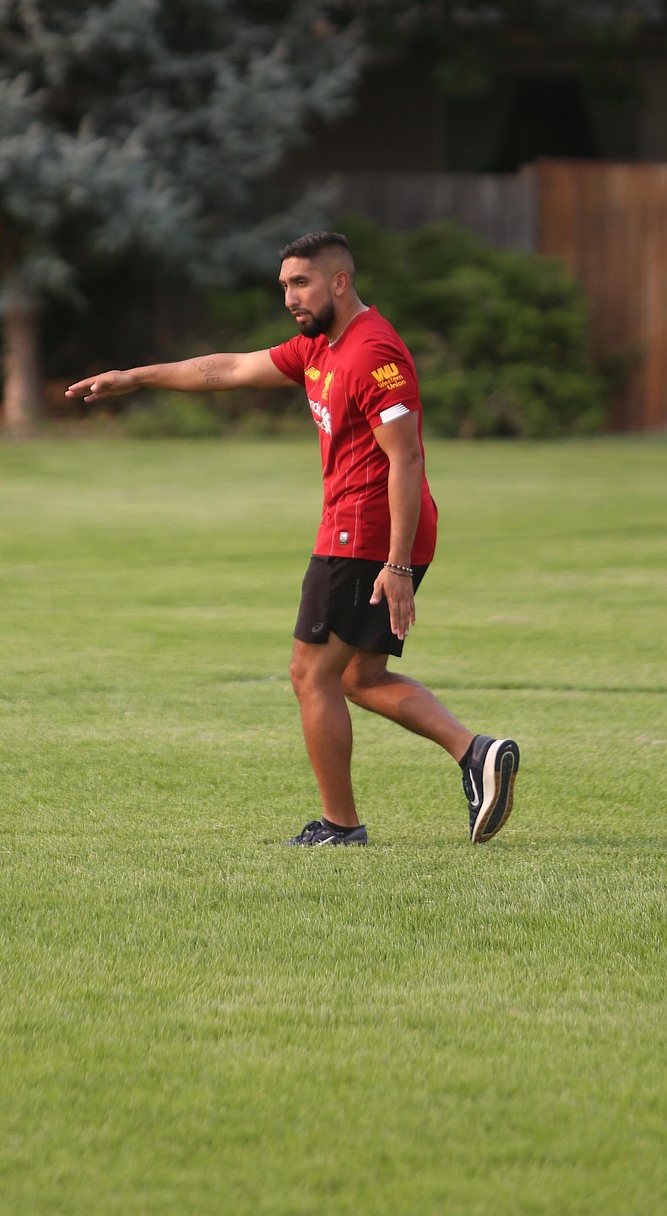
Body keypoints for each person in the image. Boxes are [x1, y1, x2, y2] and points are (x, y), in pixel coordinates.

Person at [66, 230, 519, 847]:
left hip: (363, 537)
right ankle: (477, 754)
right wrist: (135, 377)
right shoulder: (318, 349)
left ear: (339, 282)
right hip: (363, 534)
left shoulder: (372, 353)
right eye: (283, 285)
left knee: (311, 675)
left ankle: (339, 827)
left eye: (299, 283)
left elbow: (406, 459)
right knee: (360, 678)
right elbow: (227, 368)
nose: (288, 298)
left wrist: (398, 567)